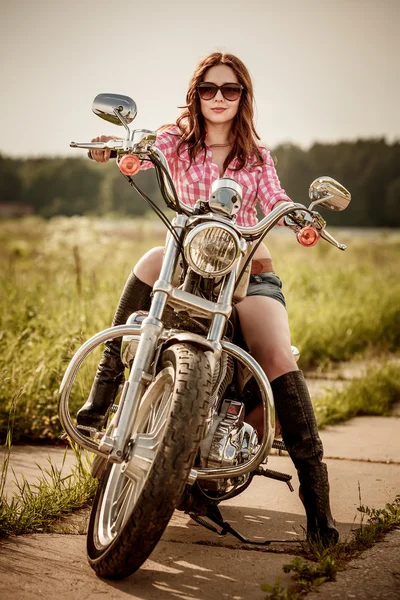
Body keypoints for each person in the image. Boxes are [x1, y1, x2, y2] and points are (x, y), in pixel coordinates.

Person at [77, 52, 339, 548]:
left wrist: (300, 216)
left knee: (278, 355)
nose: (219, 98)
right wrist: (113, 148)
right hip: (187, 263)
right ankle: (100, 401)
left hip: (247, 275)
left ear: (244, 97)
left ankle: (318, 506)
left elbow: (278, 199)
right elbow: (145, 150)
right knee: (154, 256)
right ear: (195, 94)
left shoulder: (257, 157)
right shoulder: (175, 139)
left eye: (231, 90)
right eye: (209, 89)